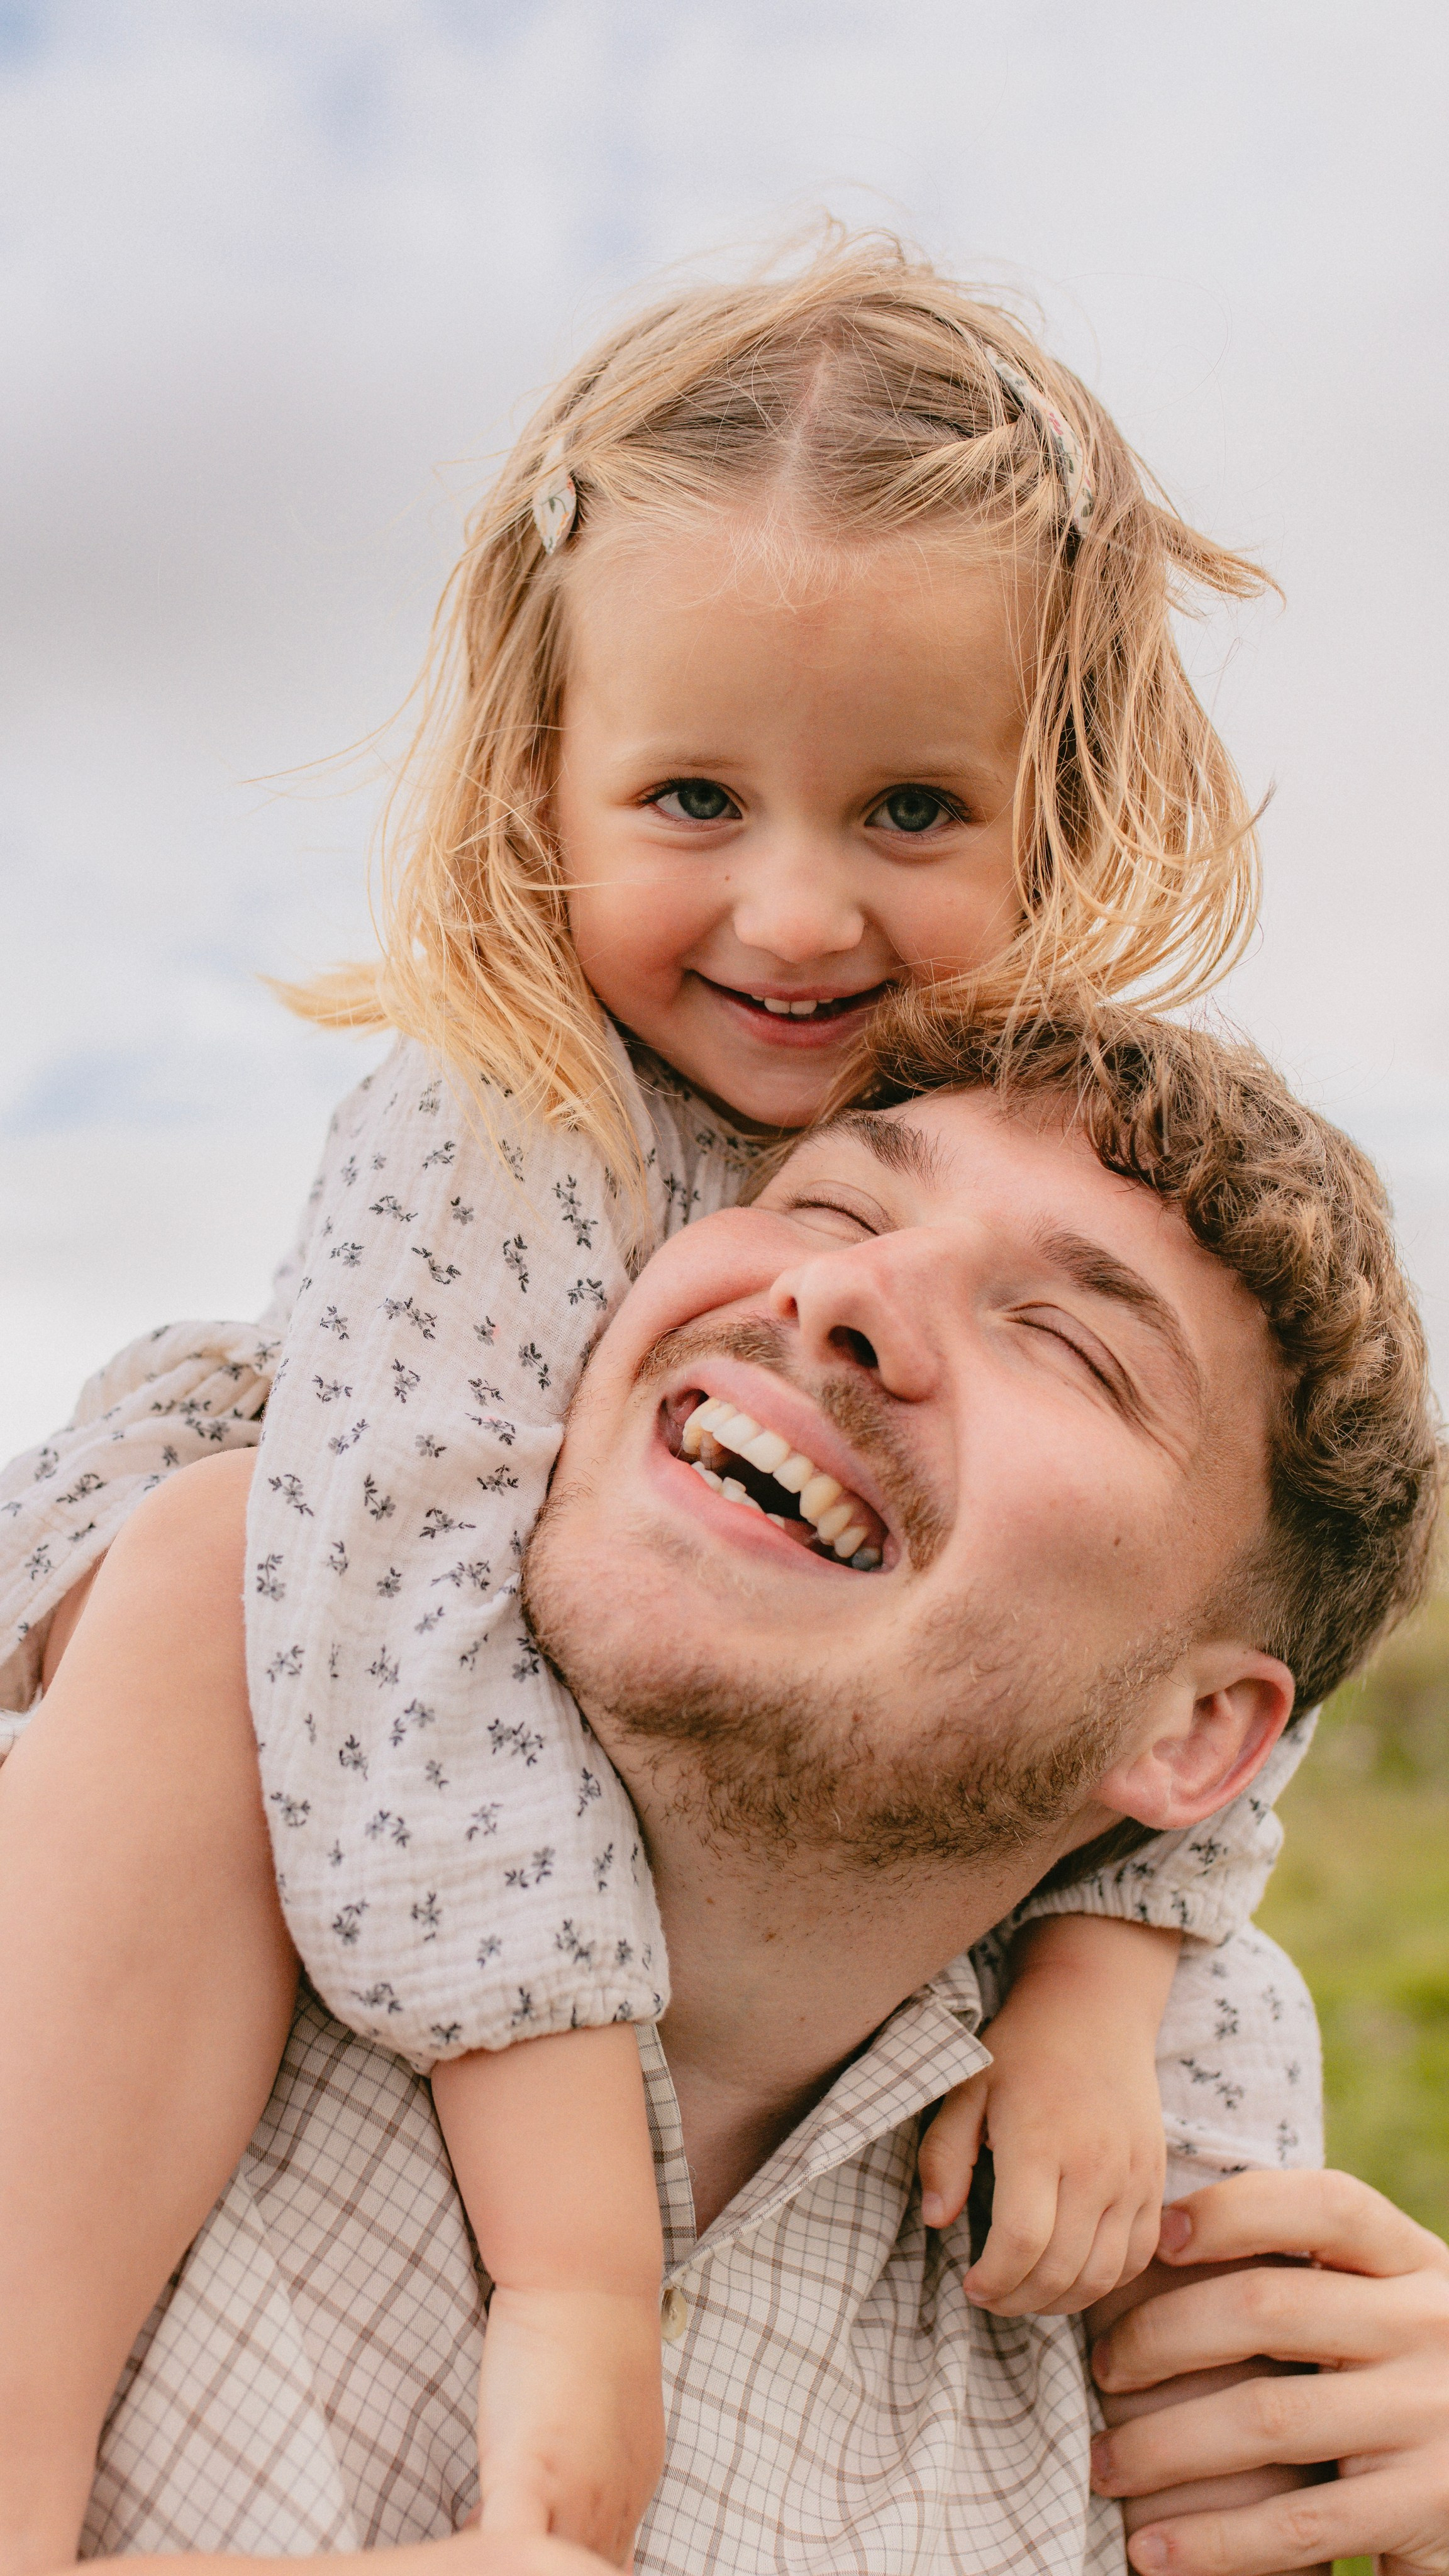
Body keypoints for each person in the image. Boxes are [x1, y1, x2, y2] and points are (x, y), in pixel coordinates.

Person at [0, 233, 1374, 2562]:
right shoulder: (504, 1122)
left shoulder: (1062, 1136)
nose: (798, 916)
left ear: (1066, 803)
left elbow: (1226, 1640)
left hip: (842, 1902)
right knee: (208, 1582)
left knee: (1216, 2028)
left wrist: (1102, 1989)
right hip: (353, 1664)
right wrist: (573, 2265)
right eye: (693, 801)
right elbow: (401, 1672)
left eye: (911, 812)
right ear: (543, 786)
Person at [4, 996, 1443, 2575]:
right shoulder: (124, 1739)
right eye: (824, 1201)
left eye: (1065, 1338)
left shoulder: (1172, 2241)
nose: (842, 1286)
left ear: (1197, 1739)